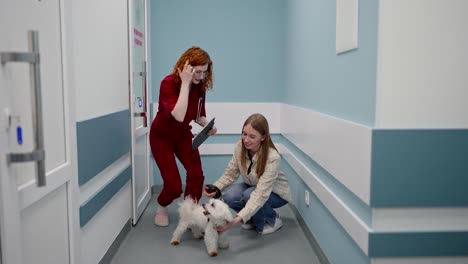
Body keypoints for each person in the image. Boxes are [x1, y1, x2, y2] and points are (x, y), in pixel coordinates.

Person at [150, 46, 217, 227]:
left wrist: (206, 125)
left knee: (196, 175)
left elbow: (197, 114)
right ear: (186, 66)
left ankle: (189, 214)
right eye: (198, 72)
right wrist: (185, 84)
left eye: (205, 72)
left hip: (182, 136)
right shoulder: (168, 83)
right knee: (173, 187)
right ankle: (162, 206)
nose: (202, 77)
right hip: (161, 137)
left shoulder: (200, 86)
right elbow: (178, 115)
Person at [203, 113, 292, 235]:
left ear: (263, 137)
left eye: (252, 136)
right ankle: (251, 218)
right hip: (252, 187)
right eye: (244, 134)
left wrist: (235, 220)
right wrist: (216, 187)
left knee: (249, 195)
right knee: (229, 196)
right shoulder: (240, 146)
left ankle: (272, 220)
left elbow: (260, 195)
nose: (246, 140)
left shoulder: (272, 157)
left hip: (276, 194)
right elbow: (231, 173)